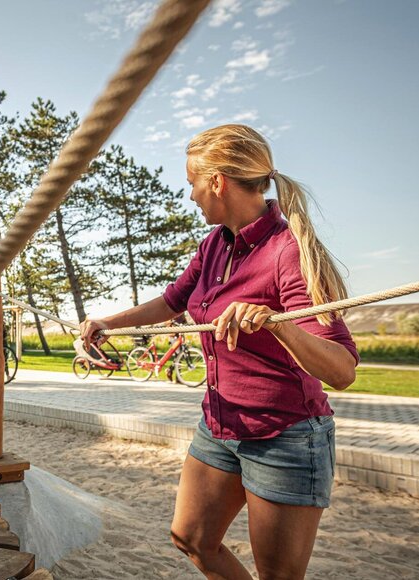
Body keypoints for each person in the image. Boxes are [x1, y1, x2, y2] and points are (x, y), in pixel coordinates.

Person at [80, 125, 358, 579]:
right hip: (219, 425)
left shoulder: (287, 251)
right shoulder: (214, 245)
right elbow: (173, 300)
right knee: (190, 538)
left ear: (217, 181)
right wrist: (110, 322)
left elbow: (342, 370)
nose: (189, 194)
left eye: (192, 181)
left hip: (284, 436)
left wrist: (275, 326)